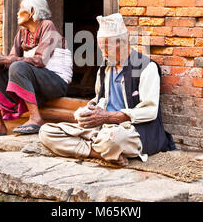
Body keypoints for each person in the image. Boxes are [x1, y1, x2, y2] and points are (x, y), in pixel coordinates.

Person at [39, 13, 175, 166]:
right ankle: (98, 153)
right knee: (46, 132)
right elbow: (99, 99)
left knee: (113, 140)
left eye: (106, 47)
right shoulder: (105, 68)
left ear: (123, 43)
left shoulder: (146, 68)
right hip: (102, 129)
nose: (103, 52)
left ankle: (95, 148)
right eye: (101, 47)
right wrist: (88, 111)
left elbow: (150, 111)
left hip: (130, 131)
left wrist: (109, 117)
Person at [0, 0, 73, 142]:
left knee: (18, 66)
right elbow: (10, 61)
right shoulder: (22, 33)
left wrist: (7, 59)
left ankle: (36, 119)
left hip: (56, 83)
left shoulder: (47, 26)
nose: (17, 12)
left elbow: (40, 60)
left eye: (21, 9)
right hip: (35, 81)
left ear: (32, 12)